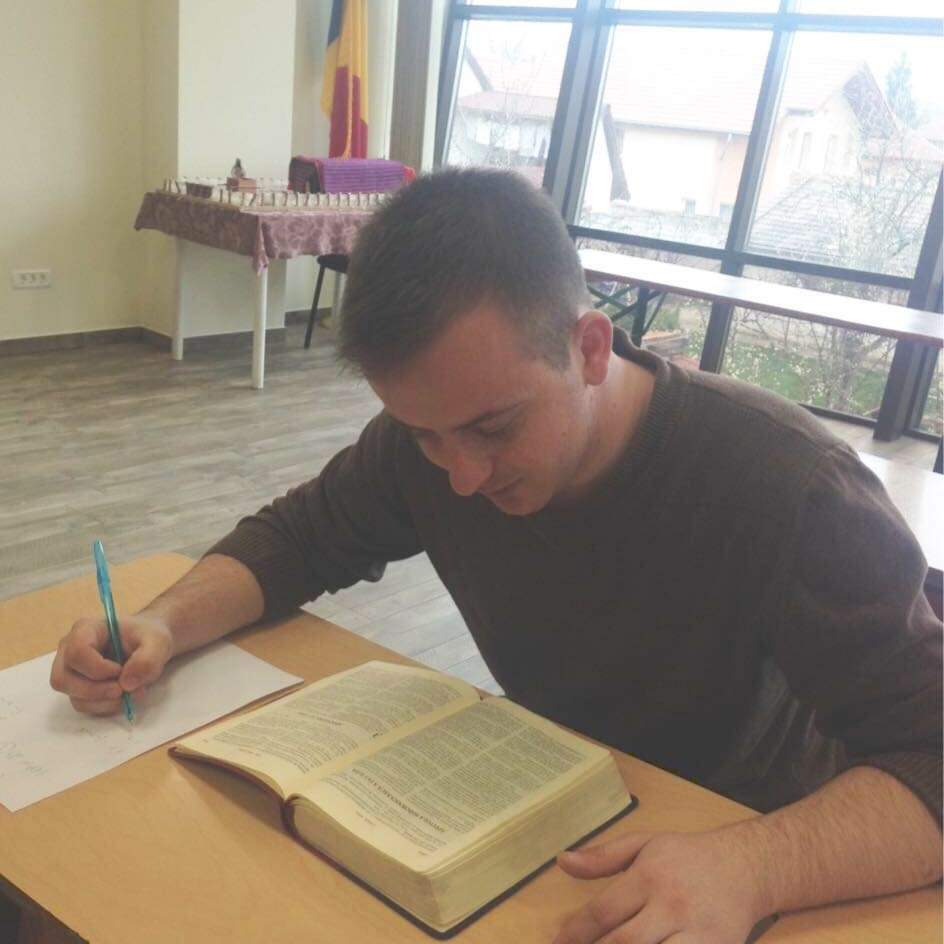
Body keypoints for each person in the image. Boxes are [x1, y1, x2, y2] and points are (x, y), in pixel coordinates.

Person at [51, 169, 941, 943]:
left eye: (494, 428)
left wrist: (755, 863)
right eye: (424, 433)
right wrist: (163, 620)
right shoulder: (432, 442)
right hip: (553, 824)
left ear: (589, 348)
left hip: (759, 852)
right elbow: (298, 538)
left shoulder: (790, 485)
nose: (462, 476)